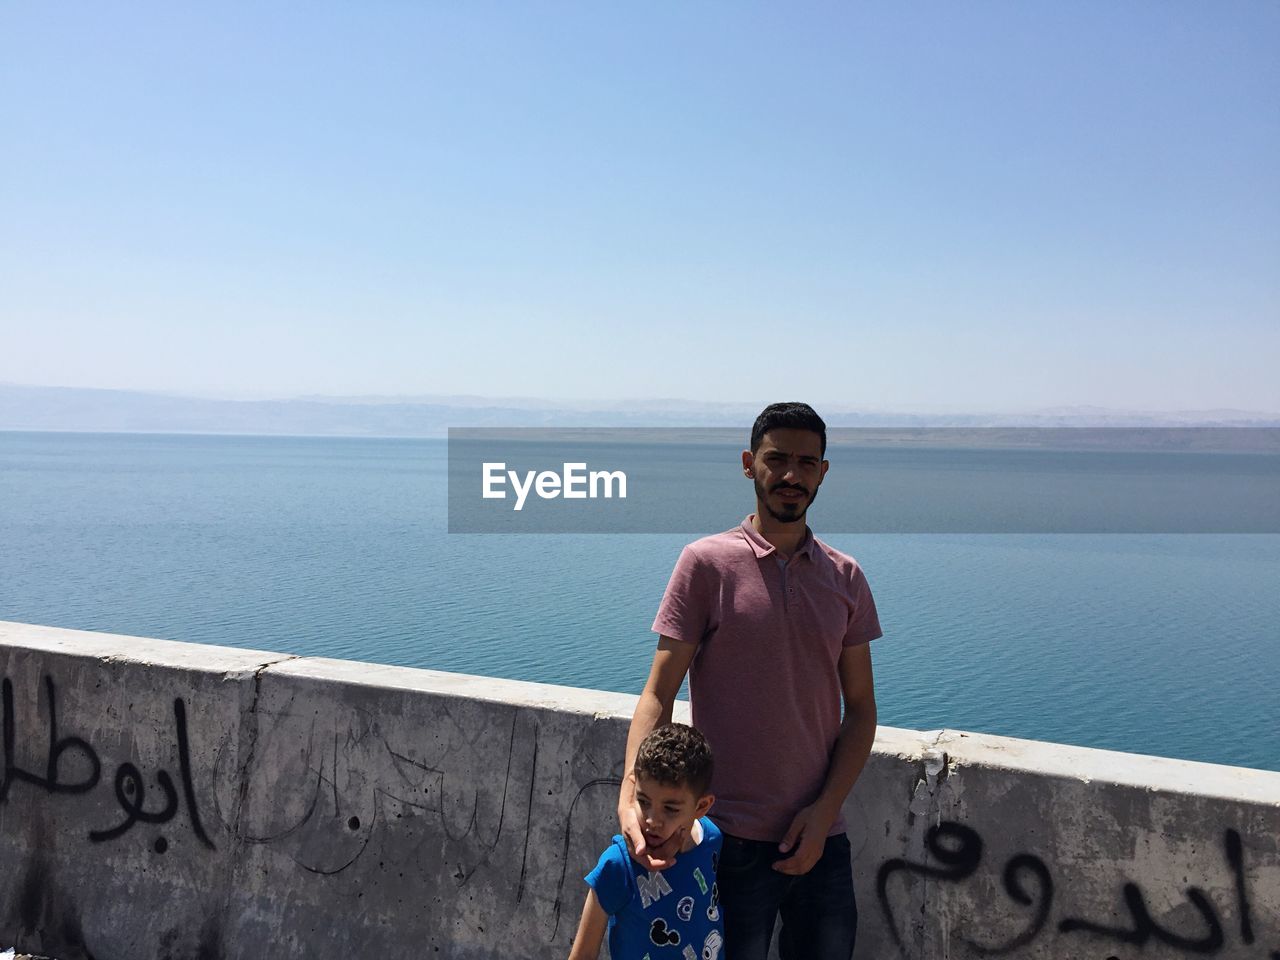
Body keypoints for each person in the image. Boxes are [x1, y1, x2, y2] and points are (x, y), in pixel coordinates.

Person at [617, 402, 881, 960]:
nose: (792, 475)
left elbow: (860, 711)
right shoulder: (706, 564)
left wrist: (824, 812)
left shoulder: (846, 577)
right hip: (723, 842)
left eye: (807, 463)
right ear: (748, 464)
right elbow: (658, 694)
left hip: (820, 839)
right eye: (776, 459)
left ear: (823, 472)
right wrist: (629, 799)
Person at [569, 723, 725, 960]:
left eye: (670, 809)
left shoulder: (712, 839)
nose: (652, 820)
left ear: (701, 806)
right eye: (643, 801)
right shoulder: (617, 864)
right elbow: (583, 954)